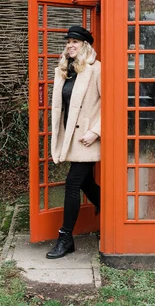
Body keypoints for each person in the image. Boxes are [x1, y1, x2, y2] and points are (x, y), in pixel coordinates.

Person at [46, 25, 101, 259]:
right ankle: (110, 213)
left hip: (87, 138)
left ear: (85, 45)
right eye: (68, 41)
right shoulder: (64, 70)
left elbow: (112, 103)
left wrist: (96, 131)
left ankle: (65, 237)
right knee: (86, 184)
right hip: (69, 135)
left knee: (71, 184)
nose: (70, 44)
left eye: (75, 42)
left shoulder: (96, 69)